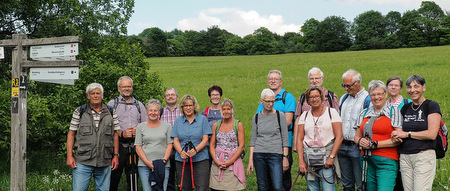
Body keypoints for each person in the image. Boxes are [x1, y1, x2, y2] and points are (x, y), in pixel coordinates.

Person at [391, 75, 442, 191]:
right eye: (409, 87)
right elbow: (399, 131)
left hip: (423, 156)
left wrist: (407, 134)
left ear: (423, 88)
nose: (412, 90)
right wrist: (396, 135)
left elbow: (432, 134)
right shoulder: (405, 108)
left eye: (416, 86)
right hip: (405, 157)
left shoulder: (431, 105)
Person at [66, 83, 120, 191]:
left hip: (104, 160)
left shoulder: (110, 111)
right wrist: (69, 156)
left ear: (102, 95)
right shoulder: (80, 111)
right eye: (93, 93)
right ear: (88, 96)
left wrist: (115, 155)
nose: (95, 96)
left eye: (98, 93)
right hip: (82, 161)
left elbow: (115, 134)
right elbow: (71, 134)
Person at [354, 80, 403, 191]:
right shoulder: (364, 113)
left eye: (380, 94)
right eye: (373, 95)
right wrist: (360, 141)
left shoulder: (393, 111)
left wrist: (375, 144)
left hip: (386, 160)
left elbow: (399, 138)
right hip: (366, 159)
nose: (377, 97)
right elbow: (356, 136)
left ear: (385, 94)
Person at [256, 70, 296, 191]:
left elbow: (288, 121)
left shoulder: (287, 97)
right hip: (265, 145)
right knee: (267, 178)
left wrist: (268, 127)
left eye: (276, 79)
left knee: (282, 179)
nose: (273, 81)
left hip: (283, 144)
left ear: (281, 81)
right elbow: (258, 121)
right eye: (270, 79)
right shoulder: (264, 98)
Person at [297, 87, 343, 191]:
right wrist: (301, 161)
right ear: (308, 100)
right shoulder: (304, 116)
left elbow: (339, 137)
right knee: (312, 189)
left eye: (317, 96)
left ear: (321, 98)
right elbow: (299, 139)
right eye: (311, 97)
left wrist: (331, 157)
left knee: (328, 189)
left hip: (326, 157)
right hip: (309, 158)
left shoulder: (331, 112)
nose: (314, 99)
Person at [108, 76, 148, 191]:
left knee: (133, 177)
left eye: (129, 86)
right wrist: (122, 134)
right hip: (118, 147)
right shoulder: (112, 104)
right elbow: (107, 127)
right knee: (114, 177)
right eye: (124, 86)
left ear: (132, 88)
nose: (127, 89)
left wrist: (138, 132)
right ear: (119, 88)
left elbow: (145, 125)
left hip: (135, 147)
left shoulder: (139, 105)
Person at [248, 88, 289, 191]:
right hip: (259, 154)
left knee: (277, 186)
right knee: (262, 187)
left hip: (275, 154)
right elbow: (253, 139)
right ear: (261, 101)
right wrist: (250, 160)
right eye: (267, 101)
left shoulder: (280, 116)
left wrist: (285, 157)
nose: (270, 104)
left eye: (272, 101)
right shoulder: (256, 117)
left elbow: (285, 138)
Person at [171, 94, 212, 191]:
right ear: (182, 107)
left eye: (190, 105)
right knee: (185, 187)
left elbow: (205, 139)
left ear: (194, 106)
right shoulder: (178, 121)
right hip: (182, 159)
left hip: (200, 159)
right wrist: (181, 151)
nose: (188, 108)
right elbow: (175, 140)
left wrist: (196, 150)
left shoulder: (202, 119)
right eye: (186, 106)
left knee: (202, 187)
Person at [293, 67, 339, 152]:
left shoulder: (331, 97)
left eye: (317, 78)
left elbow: (337, 122)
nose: (314, 81)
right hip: (307, 144)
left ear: (322, 79)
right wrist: (295, 143)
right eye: (311, 79)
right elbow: (298, 120)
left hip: (327, 145)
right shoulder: (303, 98)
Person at [338, 69, 369, 191]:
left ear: (358, 82)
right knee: (347, 185)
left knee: (361, 184)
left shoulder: (367, 98)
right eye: (344, 85)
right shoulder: (344, 98)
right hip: (342, 146)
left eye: (348, 85)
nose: (346, 88)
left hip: (357, 147)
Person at [135, 99, 173, 191]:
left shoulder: (167, 126)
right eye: (150, 110)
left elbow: (170, 145)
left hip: (162, 165)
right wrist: (148, 163)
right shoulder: (140, 127)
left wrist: (163, 161)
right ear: (146, 112)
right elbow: (138, 147)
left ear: (159, 112)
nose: (153, 113)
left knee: (161, 189)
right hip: (144, 165)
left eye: (155, 110)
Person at [209, 99, 246, 190]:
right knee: (216, 188)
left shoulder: (238, 125)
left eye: (228, 109)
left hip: (232, 163)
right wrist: (216, 161)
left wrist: (230, 161)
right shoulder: (216, 125)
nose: (226, 111)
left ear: (232, 110)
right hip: (217, 163)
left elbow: (241, 146)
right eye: (224, 109)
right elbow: (212, 145)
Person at [160, 88, 183, 191]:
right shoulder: (160, 112)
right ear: (165, 98)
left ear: (177, 97)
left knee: (182, 176)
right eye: (168, 95)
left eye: (172, 95)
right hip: (165, 148)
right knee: (168, 177)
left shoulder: (183, 111)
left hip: (181, 148)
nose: (170, 96)